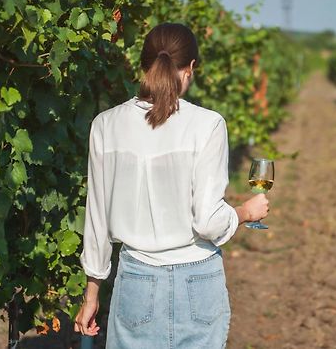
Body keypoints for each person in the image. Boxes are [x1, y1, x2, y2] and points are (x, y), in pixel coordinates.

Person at [73, 22, 269, 348]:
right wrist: (244, 212)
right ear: (190, 69)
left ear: (142, 66)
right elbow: (207, 221)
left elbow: (97, 221)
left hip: (137, 278)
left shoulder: (105, 126)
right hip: (199, 279)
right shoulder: (208, 125)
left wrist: (92, 293)